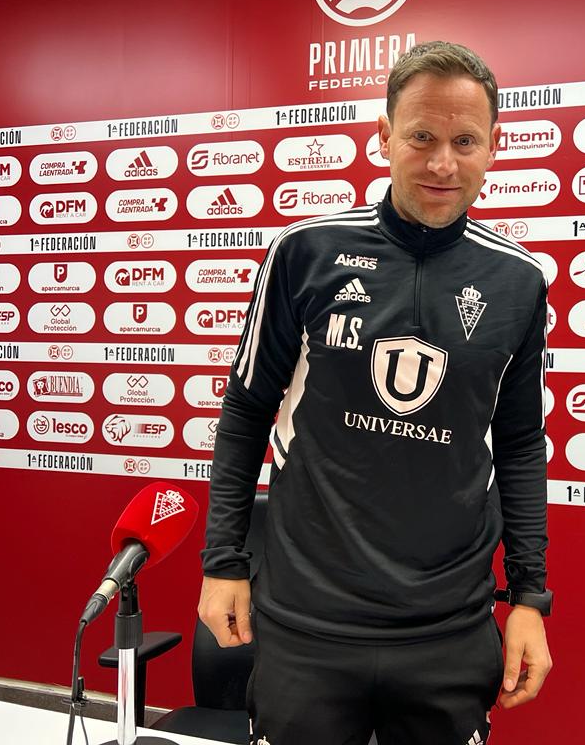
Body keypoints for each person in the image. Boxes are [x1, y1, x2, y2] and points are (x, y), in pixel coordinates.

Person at [198, 40, 552, 745]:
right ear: (384, 137)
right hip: (308, 625)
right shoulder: (305, 253)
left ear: (493, 147)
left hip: (448, 630)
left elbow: (517, 446)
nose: (443, 163)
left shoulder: (519, 282)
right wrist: (224, 562)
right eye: (421, 136)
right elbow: (245, 409)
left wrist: (529, 598)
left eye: (465, 141)